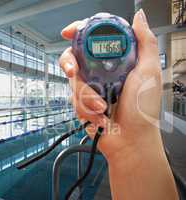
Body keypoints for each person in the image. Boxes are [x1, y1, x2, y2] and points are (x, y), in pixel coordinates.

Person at [59, 9, 179, 200]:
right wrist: (128, 152)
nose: (107, 64)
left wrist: (135, 145)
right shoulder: (122, 36)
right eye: (100, 47)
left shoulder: (87, 37)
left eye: (111, 46)